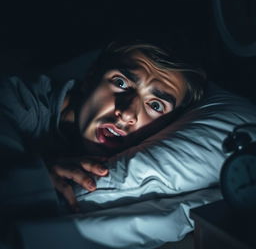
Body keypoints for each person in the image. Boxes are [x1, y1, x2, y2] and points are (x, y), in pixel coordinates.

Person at [0, 40, 206, 214]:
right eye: (121, 83)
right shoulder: (16, 100)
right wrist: (32, 176)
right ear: (90, 79)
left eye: (155, 105)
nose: (126, 113)